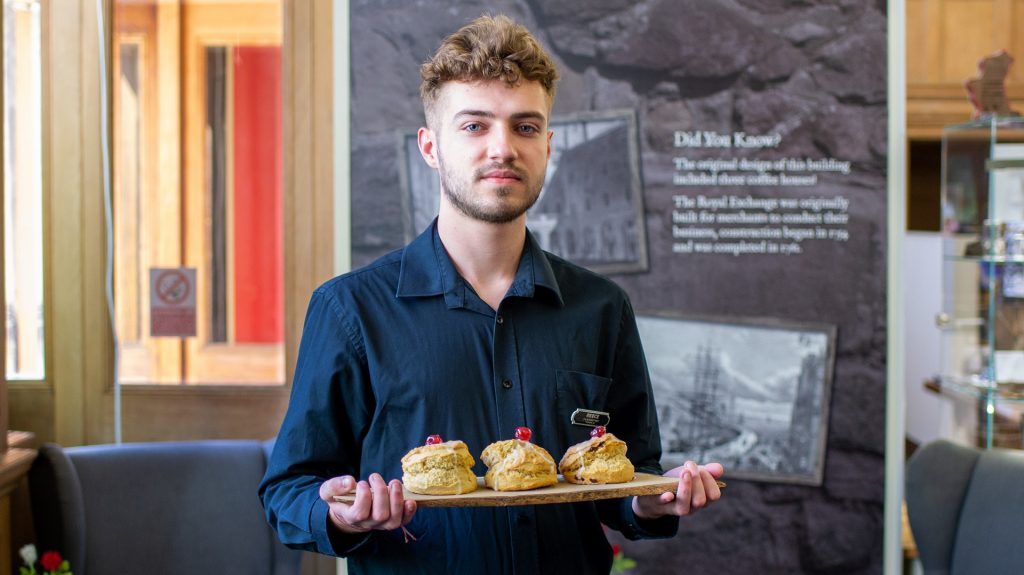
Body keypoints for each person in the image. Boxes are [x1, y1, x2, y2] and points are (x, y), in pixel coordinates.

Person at [259, 14, 724, 575]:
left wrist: (651, 501)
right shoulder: (350, 310)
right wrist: (340, 515)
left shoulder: (602, 308)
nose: (503, 148)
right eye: (474, 126)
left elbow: (628, 480)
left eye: (525, 127)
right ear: (430, 146)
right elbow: (288, 491)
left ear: (548, 146)